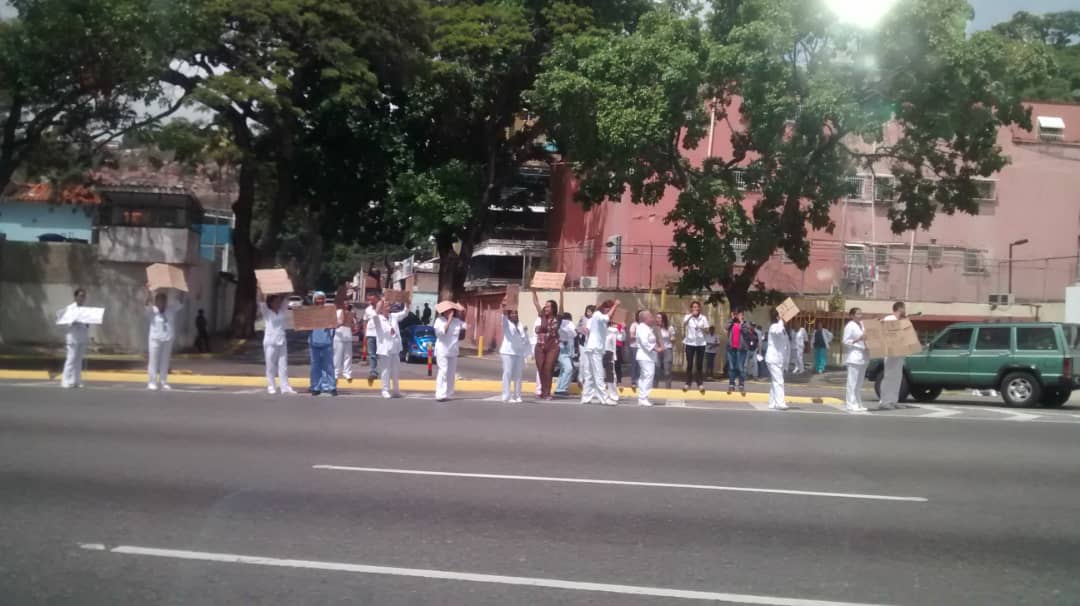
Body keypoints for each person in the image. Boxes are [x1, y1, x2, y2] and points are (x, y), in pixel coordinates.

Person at [145, 285, 185, 391]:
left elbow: (180, 302)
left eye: (164, 301)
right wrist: (148, 292)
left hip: (167, 339)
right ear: (156, 302)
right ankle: (152, 382)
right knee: (153, 361)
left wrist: (182, 289)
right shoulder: (152, 311)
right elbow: (146, 304)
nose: (162, 303)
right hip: (155, 339)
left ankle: (163, 382)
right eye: (160, 301)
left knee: (165, 361)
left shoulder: (170, 310)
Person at [581, 299, 619, 405]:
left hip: (593, 348)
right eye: (609, 308)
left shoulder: (597, 317)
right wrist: (615, 305)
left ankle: (586, 397)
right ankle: (604, 398)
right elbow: (607, 318)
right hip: (594, 349)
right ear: (605, 308)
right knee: (598, 373)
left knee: (591, 374)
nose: (611, 311)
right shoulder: (598, 315)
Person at [258, 291, 295, 395]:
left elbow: (287, 297)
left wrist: (288, 282)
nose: (278, 303)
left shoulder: (282, 310)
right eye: (276, 301)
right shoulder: (267, 312)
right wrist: (259, 288)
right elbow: (261, 300)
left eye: (279, 301)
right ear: (271, 303)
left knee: (283, 365)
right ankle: (271, 386)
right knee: (270, 365)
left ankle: (285, 387)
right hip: (270, 341)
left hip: (282, 340)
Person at [531, 288, 564, 401]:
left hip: (553, 347)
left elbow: (561, 307)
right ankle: (542, 391)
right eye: (545, 306)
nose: (546, 308)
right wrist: (533, 291)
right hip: (540, 346)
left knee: (548, 368)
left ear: (553, 308)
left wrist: (561, 293)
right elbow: (536, 302)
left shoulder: (558, 318)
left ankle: (547, 393)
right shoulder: (542, 316)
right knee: (541, 368)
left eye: (548, 306)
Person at [373, 299, 409, 399]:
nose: (389, 308)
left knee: (395, 370)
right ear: (382, 308)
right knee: (386, 371)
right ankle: (385, 390)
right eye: (386, 306)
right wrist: (377, 307)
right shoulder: (378, 319)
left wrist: (406, 303)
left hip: (395, 347)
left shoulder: (393, 316)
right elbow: (374, 316)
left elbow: (405, 313)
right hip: (385, 349)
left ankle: (396, 391)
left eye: (389, 306)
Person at [879, 301, 912, 410]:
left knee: (897, 377)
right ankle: (884, 401)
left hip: (900, 352)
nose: (905, 310)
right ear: (899, 309)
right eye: (904, 308)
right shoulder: (889, 319)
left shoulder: (902, 320)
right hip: (891, 352)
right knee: (889, 376)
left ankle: (893, 400)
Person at [433, 304, 467, 402]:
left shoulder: (457, 321)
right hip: (442, 350)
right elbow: (441, 333)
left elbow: (465, 326)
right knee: (443, 371)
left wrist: (463, 312)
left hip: (453, 350)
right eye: (448, 311)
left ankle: (449, 393)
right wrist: (449, 320)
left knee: (451, 373)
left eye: (452, 311)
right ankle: (440, 394)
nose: (450, 312)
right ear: (444, 311)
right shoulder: (439, 321)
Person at [58, 288, 90, 389]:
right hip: (73, 337)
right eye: (80, 296)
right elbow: (65, 321)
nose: (82, 298)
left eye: (83, 296)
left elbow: (87, 325)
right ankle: (65, 380)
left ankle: (76, 380)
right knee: (71, 359)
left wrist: (87, 322)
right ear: (75, 297)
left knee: (79, 360)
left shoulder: (85, 309)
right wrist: (74, 320)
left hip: (82, 337)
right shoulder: (70, 308)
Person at [308, 291, 337, 396]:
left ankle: (331, 386)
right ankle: (316, 387)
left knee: (328, 366)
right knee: (315, 365)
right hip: (314, 341)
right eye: (318, 298)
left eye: (322, 298)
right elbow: (303, 323)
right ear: (314, 300)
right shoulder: (310, 312)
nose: (320, 300)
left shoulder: (329, 311)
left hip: (326, 341)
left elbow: (334, 324)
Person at [499, 302, 529, 403]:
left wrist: (525, 333)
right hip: (508, 352)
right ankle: (506, 395)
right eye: (512, 313)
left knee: (518, 374)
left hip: (519, 352)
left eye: (516, 313)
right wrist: (504, 307)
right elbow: (503, 317)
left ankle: (517, 395)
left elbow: (523, 338)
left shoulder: (520, 324)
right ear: (509, 315)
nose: (515, 315)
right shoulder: (507, 324)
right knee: (507, 373)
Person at [842, 307, 869, 413]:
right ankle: (850, 404)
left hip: (864, 356)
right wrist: (858, 339)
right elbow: (845, 341)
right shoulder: (850, 326)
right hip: (854, 356)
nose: (860, 315)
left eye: (861, 313)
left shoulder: (862, 325)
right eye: (857, 314)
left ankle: (858, 403)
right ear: (852, 316)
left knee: (859, 382)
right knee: (852, 382)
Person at [635, 310, 661, 406]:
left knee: (644, 376)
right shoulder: (642, 328)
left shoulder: (647, 328)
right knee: (649, 375)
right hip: (645, 356)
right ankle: (643, 398)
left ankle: (642, 397)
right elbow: (644, 342)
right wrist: (655, 348)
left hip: (648, 356)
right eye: (650, 317)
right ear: (645, 319)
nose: (652, 319)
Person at [765, 309, 790, 410]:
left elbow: (786, 344)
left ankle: (772, 402)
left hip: (779, 360)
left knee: (775, 381)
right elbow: (778, 331)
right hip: (773, 359)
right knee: (779, 380)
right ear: (777, 317)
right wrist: (781, 320)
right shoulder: (774, 327)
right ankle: (780, 403)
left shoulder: (782, 329)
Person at [682, 301, 709, 393]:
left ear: (699, 308)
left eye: (697, 307)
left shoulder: (703, 318)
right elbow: (684, 323)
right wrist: (691, 315)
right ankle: (688, 383)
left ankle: (700, 383)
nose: (695, 309)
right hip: (690, 343)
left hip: (701, 343)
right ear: (691, 308)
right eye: (693, 307)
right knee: (689, 364)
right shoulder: (688, 317)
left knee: (699, 364)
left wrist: (701, 328)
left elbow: (707, 330)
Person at [725, 309, 751, 396]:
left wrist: (741, 322)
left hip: (741, 349)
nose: (738, 315)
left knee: (740, 368)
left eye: (740, 314)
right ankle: (731, 384)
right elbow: (726, 327)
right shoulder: (731, 323)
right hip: (731, 348)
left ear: (743, 315)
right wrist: (732, 319)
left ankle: (741, 385)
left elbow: (747, 332)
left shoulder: (745, 324)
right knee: (732, 367)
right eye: (736, 314)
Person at [333, 302, 355, 382]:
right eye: (344, 303)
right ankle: (336, 373)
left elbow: (353, 324)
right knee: (337, 356)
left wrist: (353, 324)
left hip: (348, 334)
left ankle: (347, 373)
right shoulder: (337, 312)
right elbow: (334, 323)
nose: (346, 305)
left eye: (347, 303)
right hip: (339, 335)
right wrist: (340, 321)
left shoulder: (351, 312)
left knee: (348, 355)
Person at [555, 312, 576, 396]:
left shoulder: (569, 329)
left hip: (568, 352)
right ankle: (562, 388)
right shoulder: (558, 329)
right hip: (561, 351)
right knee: (568, 368)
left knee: (564, 370)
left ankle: (559, 388)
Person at [577, 305, 595, 389]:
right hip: (583, 342)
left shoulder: (595, 320)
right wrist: (583, 330)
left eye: (590, 311)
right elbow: (578, 328)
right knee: (582, 361)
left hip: (591, 343)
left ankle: (588, 380)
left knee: (589, 362)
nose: (588, 313)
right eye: (587, 311)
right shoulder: (583, 318)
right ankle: (580, 379)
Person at [364, 294, 380, 384]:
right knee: (372, 354)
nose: (370, 301)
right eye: (369, 300)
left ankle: (384, 372)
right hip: (370, 334)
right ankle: (373, 372)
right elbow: (365, 321)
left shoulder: (382, 308)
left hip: (380, 334)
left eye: (372, 299)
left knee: (382, 354)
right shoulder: (368, 309)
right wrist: (365, 333)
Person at [604, 319, 622, 402]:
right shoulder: (599, 330)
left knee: (611, 375)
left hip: (609, 353)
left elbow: (621, 338)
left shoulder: (613, 330)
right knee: (600, 375)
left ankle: (613, 395)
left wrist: (621, 328)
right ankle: (602, 394)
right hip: (599, 352)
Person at [656, 312, 675, 389]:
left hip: (667, 350)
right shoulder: (654, 328)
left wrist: (673, 339)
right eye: (656, 318)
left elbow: (673, 338)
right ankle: (654, 388)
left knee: (667, 371)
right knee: (656, 371)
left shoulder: (670, 328)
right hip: (657, 350)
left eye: (659, 318)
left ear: (663, 319)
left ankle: (668, 389)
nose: (657, 319)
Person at [628, 310, 644, 388]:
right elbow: (631, 336)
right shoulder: (634, 325)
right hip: (634, 347)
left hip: (642, 347)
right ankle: (634, 381)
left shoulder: (645, 325)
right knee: (634, 364)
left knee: (641, 365)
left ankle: (640, 381)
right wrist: (640, 337)